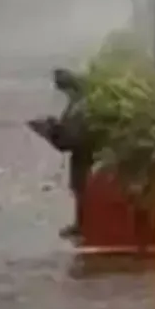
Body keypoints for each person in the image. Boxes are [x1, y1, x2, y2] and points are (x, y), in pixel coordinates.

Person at [51, 68, 93, 240]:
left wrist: (57, 131)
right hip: (80, 152)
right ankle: (81, 223)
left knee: (81, 187)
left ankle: (82, 224)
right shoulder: (77, 102)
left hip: (84, 152)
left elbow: (76, 132)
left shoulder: (80, 105)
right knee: (78, 188)